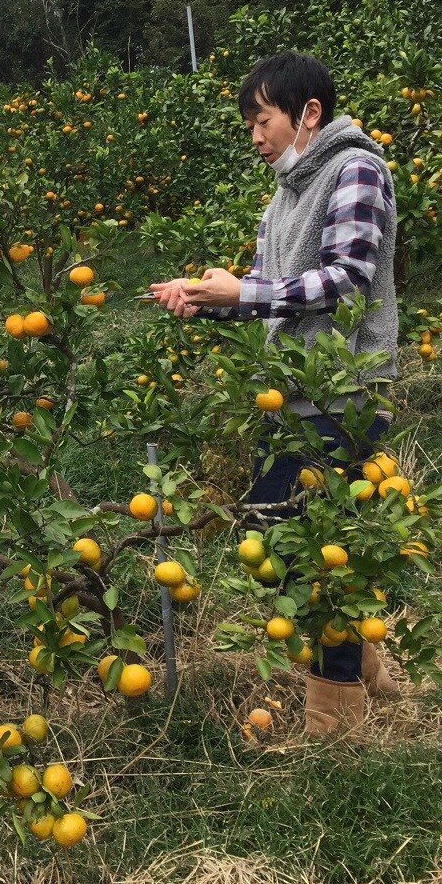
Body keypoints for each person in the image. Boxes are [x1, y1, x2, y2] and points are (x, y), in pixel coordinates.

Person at [149, 50, 400, 735]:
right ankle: (361, 657)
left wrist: (247, 290)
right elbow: (270, 297)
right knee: (273, 534)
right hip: (289, 397)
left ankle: (336, 716)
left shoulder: (356, 168)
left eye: (262, 120)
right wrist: (208, 298)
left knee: (317, 548)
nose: (254, 137)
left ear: (307, 113)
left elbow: (346, 277)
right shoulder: (285, 193)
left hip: (344, 394)